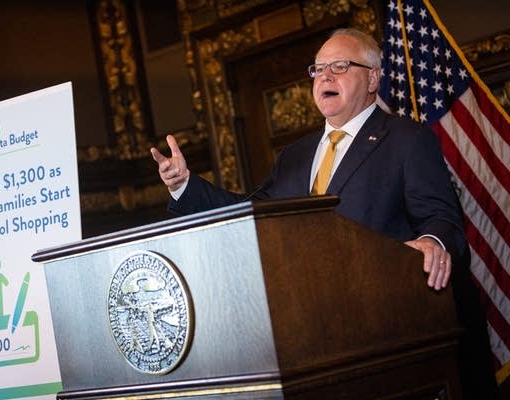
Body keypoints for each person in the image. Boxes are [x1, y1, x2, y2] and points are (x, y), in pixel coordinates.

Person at [150, 28, 498, 399]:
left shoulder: (406, 139)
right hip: (320, 339)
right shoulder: (294, 156)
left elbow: (442, 218)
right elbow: (251, 214)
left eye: (340, 66)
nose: (325, 77)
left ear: (373, 79)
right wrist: (185, 185)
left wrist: (431, 241)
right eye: (318, 69)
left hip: (391, 333)